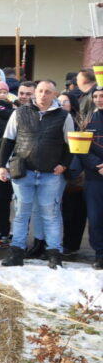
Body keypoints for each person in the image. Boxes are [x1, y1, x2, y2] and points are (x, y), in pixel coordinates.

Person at [0, 79, 76, 269]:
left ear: (54, 94)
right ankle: (16, 252)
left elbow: (71, 145)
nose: (43, 94)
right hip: (24, 172)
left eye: (48, 91)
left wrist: (64, 164)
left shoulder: (64, 116)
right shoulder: (19, 113)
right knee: (21, 213)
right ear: (35, 93)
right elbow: (8, 141)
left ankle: (54, 254)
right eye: (40, 91)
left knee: (51, 214)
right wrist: (1, 165)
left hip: (51, 174)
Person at [80, 86, 103, 271]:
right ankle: (99, 255)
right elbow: (81, 149)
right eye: (95, 96)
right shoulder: (87, 121)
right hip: (95, 177)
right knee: (95, 217)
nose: (98, 99)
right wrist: (97, 165)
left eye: (102, 96)